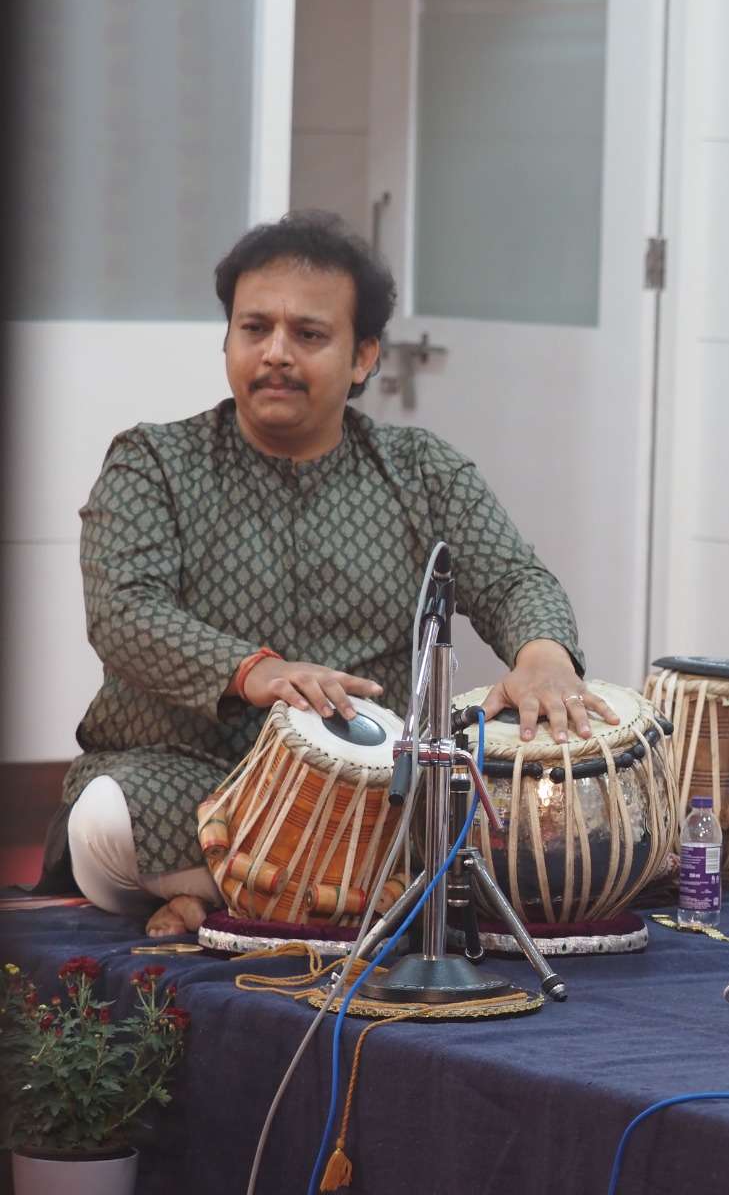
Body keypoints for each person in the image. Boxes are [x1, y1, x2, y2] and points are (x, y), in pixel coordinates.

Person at [43, 210, 616, 936]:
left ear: (363, 357)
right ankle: (341, 898)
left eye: (308, 335)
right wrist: (255, 671)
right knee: (105, 820)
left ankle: (236, 897)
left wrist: (544, 658)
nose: (276, 353)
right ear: (228, 340)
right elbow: (123, 611)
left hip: (364, 797)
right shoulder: (155, 463)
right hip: (185, 775)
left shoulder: (420, 470)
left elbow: (512, 578)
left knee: (517, 813)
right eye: (255, 329)